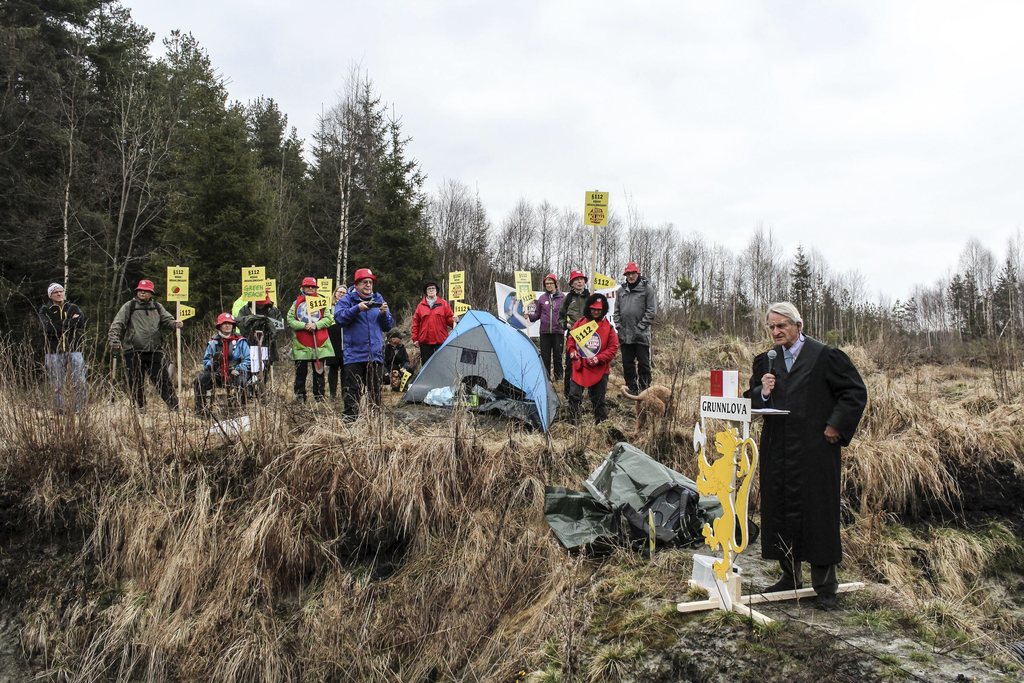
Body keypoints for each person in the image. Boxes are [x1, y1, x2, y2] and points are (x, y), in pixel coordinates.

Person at [747, 302, 868, 611]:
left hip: (815, 449)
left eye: (781, 326)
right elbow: (751, 401)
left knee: (818, 514)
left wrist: (835, 426)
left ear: (797, 325)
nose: (775, 332)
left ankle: (825, 586)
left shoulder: (825, 356)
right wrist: (762, 390)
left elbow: (854, 392)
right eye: (771, 327)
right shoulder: (765, 361)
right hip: (778, 447)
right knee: (781, 509)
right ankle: (790, 577)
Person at [108, 279, 182, 411]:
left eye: (146, 290)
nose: (142, 292)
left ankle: (174, 407)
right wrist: (114, 339)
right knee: (136, 381)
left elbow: (167, 319)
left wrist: (175, 323)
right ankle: (140, 407)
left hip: (154, 350)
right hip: (133, 349)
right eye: (140, 290)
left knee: (162, 380)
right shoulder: (129, 306)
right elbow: (118, 323)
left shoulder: (157, 307)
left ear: (151, 293)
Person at [334, 268, 394, 417]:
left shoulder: (379, 299)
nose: (368, 285)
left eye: (370, 282)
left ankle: (374, 424)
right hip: (354, 355)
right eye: (364, 282)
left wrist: (384, 314)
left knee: (375, 393)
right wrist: (357, 309)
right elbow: (339, 319)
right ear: (356, 284)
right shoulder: (346, 300)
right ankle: (351, 424)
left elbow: (388, 326)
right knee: (352, 393)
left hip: (375, 356)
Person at [565, 293, 619, 424]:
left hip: (599, 369)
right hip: (580, 367)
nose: (595, 312)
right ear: (589, 308)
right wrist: (572, 351)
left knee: (599, 400)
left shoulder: (609, 328)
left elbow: (613, 348)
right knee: (574, 397)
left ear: (603, 310)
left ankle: (602, 427)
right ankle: (574, 426)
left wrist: (598, 358)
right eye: (593, 309)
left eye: (599, 310)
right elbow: (571, 340)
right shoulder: (580, 323)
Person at [38, 282, 87, 412]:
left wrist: (57, 324)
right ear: (50, 295)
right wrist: (69, 323)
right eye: (56, 292)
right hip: (53, 351)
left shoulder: (73, 307)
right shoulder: (45, 310)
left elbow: (80, 322)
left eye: (61, 291)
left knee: (80, 382)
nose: (59, 294)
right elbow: (46, 328)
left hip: (75, 349)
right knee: (56, 384)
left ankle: (79, 410)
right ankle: (60, 411)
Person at [286, 277, 335, 403]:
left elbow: (328, 319)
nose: (310, 289)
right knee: (300, 371)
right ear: (302, 288)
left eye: (312, 287)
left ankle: (319, 397)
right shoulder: (295, 303)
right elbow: (290, 320)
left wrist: (316, 325)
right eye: (307, 287)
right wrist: (304, 325)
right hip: (301, 342)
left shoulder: (321, 301)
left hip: (319, 342)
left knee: (319, 371)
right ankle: (300, 397)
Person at [194, 313, 251, 417]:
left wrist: (238, 369)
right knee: (199, 380)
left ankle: (241, 410)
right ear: (219, 326)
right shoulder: (213, 342)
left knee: (242, 382)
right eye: (225, 323)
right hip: (217, 374)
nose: (227, 325)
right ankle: (201, 411)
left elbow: (248, 359)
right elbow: (206, 361)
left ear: (233, 326)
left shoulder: (241, 341)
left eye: (230, 323)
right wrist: (213, 363)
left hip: (235, 372)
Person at [613, 261, 657, 395]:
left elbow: (651, 311)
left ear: (638, 273)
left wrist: (640, 327)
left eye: (633, 273)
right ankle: (632, 390)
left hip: (641, 335)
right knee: (627, 364)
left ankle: (645, 392)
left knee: (643, 364)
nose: (630, 276)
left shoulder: (647, 289)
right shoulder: (621, 291)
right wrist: (619, 326)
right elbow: (616, 311)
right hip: (625, 335)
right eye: (628, 274)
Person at [528, 273, 566, 382]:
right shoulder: (542, 298)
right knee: (545, 357)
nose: (549, 285)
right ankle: (546, 380)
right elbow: (537, 315)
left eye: (551, 283)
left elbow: (566, 314)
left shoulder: (563, 298)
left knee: (558, 357)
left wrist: (565, 325)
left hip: (558, 332)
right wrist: (529, 316)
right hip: (544, 332)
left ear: (555, 284)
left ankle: (559, 380)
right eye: (547, 283)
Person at [559, 270, 591, 394]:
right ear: (572, 283)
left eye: (581, 279)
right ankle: (568, 393)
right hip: (572, 337)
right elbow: (560, 317)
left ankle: (586, 392)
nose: (579, 281)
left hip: (588, 337)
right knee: (570, 364)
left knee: (587, 364)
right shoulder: (568, 298)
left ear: (584, 282)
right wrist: (566, 325)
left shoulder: (590, 297)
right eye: (576, 280)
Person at [411, 281, 453, 366]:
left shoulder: (444, 304)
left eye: (433, 288)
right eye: (429, 288)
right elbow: (415, 323)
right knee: (426, 366)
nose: (431, 290)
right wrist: (415, 338)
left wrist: (455, 321)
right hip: (425, 342)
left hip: (440, 341)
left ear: (436, 291)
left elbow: (449, 319)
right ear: (426, 292)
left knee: (441, 365)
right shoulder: (420, 306)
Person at [325, 284, 347, 400]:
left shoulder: (348, 306)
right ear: (335, 293)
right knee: (333, 368)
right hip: (332, 340)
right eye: (340, 292)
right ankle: (332, 394)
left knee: (345, 369)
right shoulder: (329, 307)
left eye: (344, 293)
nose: (342, 294)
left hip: (344, 340)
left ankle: (345, 394)